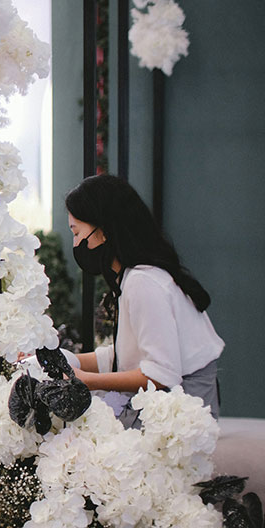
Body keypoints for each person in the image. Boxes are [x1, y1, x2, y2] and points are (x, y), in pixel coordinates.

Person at [65, 173, 223, 424]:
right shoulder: (136, 276)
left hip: (181, 416)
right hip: (174, 404)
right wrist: (63, 359)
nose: (75, 244)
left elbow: (161, 373)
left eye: (76, 233)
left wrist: (87, 380)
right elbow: (128, 354)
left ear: (103, 231)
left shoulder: (143, 282)